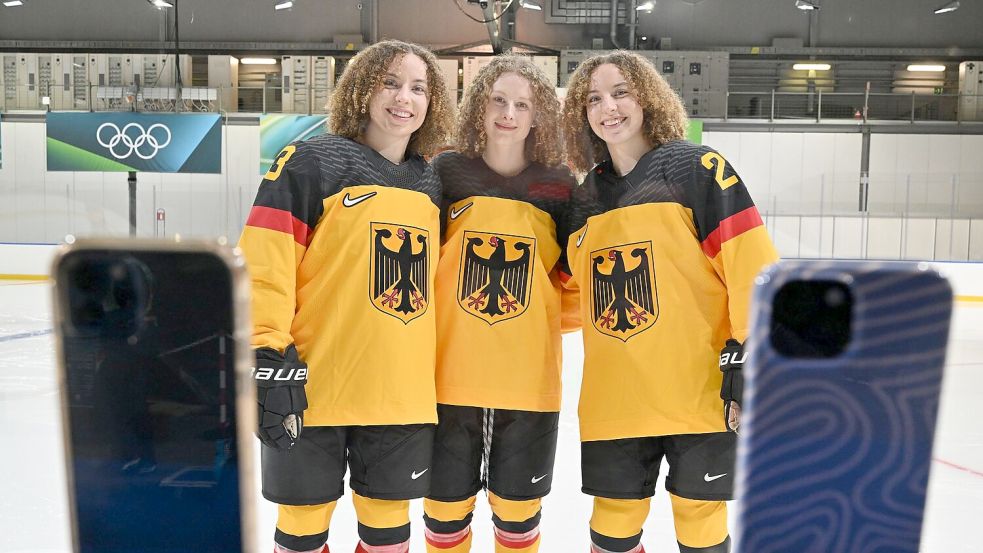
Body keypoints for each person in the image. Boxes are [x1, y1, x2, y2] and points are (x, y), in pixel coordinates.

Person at [238, 39, 454, 553]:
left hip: (401, 392)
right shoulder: (310, 161)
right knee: (303, 520)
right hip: (314, 387)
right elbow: (264, 263)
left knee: (387, 523)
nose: (405, 98)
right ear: (361, 89)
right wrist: (266, 351)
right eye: (391, 83)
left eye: (419, 88)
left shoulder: (432, 183)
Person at [559, 51, 779, 553]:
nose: (607, 108)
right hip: (616, 398)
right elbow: (569, 298)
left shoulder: (697, 168)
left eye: (620, 93)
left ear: (648, 98)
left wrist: (749, 354)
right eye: (593, 98)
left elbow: (753, 267)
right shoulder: (582, 199)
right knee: (612, 522)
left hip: (699, 395)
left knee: (699, 516)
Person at [422, 54, 578, 553]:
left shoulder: (560, 183)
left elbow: (574, 280)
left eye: (523, 104)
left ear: (539, 115)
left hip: (527, 380)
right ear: (478, 106)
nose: (509, 113)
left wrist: (538, 321)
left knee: (517, 518)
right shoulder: (445, 170)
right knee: (444, 514)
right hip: (447, 377)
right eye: (498, 100)